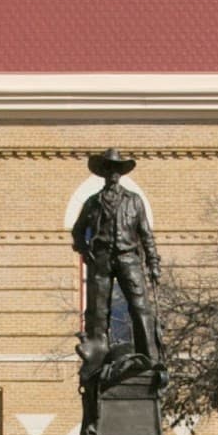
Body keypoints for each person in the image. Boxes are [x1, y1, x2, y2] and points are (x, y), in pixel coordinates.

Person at [71, 148, 163, 368]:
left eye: (116, 169)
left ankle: (149, 356)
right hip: (101, 260)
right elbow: (77, 231)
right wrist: (86, 250)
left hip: (128, 257)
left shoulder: (134, 201)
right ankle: (96, 356)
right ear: (103, 172)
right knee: (98, 309)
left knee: (140, 305)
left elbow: (146, 234)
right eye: (109, 168)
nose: (113, 173)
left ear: (121, 173)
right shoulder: (93, 202)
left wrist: (153, 263)